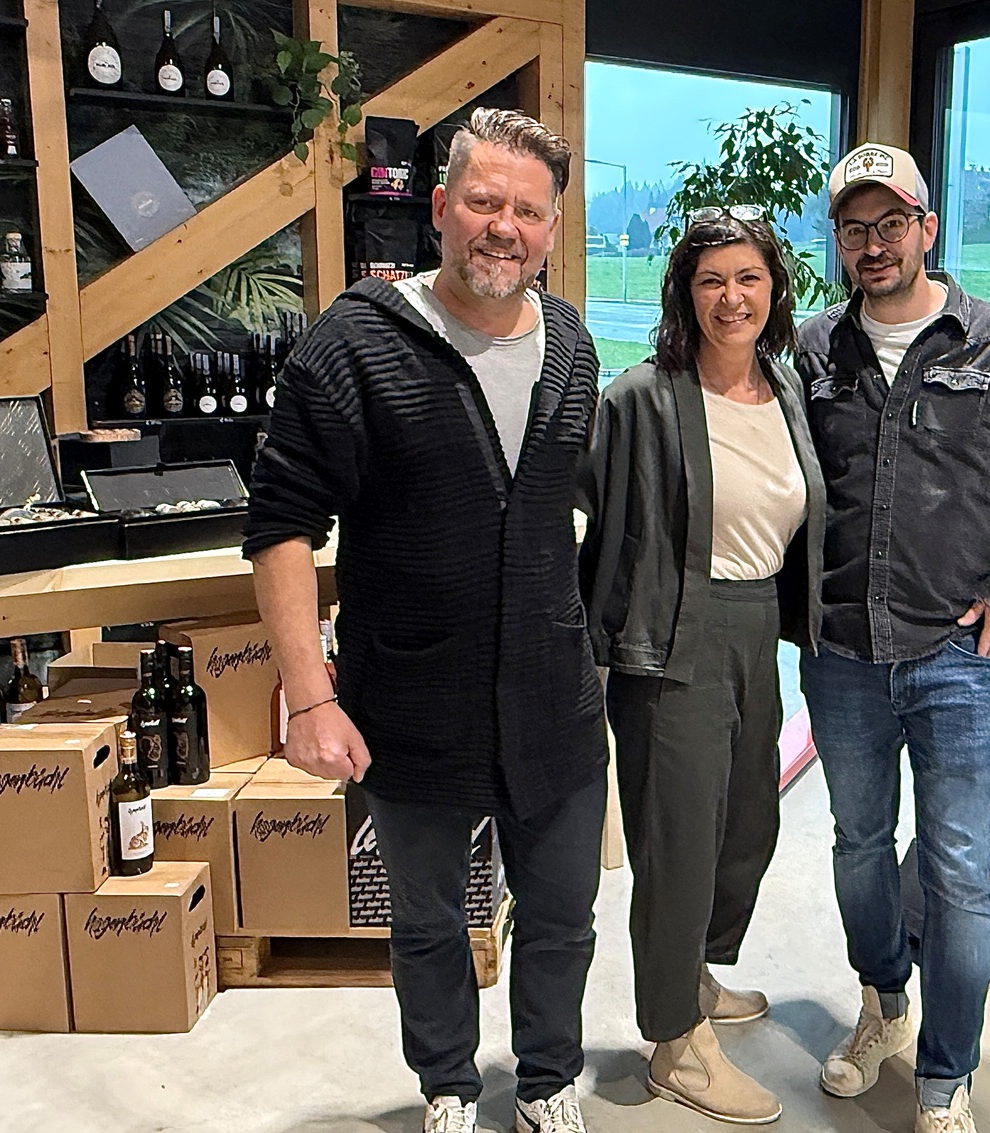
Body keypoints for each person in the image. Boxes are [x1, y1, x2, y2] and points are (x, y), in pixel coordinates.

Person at [243, 108, 604, 1133]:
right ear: (439, 207)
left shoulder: (571, 342)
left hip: (552, 699)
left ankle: (546, 1083)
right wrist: (310, 692)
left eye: (527, 211)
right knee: (428, 918)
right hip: (407, 697)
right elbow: (279, 524)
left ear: (550, 227)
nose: (504, 228)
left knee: (562, 916)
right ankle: (447, 1085)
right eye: (484, 202)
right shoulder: (353, 342)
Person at [794, 143, 990, 1133]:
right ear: (836, 237)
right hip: (840, 653)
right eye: (853, 226)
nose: (872, 244)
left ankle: (943, 1072)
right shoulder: (811, 347)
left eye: (891, 224)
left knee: (959, 871)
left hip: (961, 660)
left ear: (926, 228)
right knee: (854, 847)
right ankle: (883, 1003)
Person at [578, 206, 825, 1126]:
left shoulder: (786, 387)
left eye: (748, 277)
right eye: (712, 278)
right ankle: (672, 1039)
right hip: (668, 632)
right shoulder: (641, 395)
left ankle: (693, 969)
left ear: (774, 288)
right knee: (678, 840)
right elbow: (588, 520)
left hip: (758, 624)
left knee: (746, 826)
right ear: (685, 291)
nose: (732, 296)